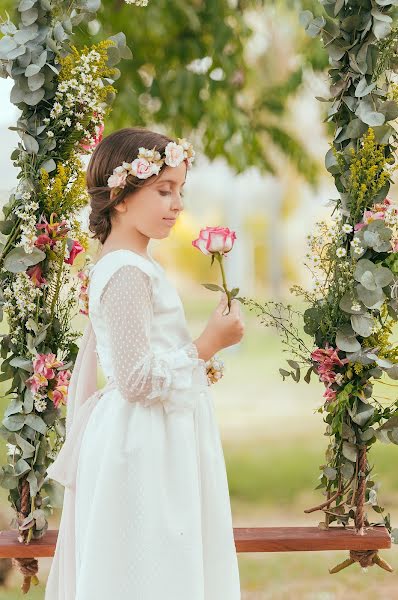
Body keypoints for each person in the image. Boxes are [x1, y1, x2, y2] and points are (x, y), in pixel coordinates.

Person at [45, 127, 244, 599]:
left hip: (153, 431)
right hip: (143, 442)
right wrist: (207, 345)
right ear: (120, 197)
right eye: (163, 190)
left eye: (179, 191)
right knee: (150, 562)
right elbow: (135, 378)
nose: (177, 204)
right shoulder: (127, 272)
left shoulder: (127, 263)